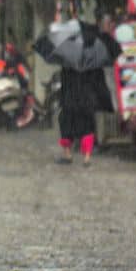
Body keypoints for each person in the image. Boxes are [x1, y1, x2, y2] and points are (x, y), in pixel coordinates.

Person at [36, 17, 121, 165]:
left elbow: (64, 77)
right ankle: (86, 157)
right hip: (87, 98)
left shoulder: (68, 53)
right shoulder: (95, 54)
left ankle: (68, 154)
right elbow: (98, 81)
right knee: (87, 125)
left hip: (70, 98)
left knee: (66, 123)